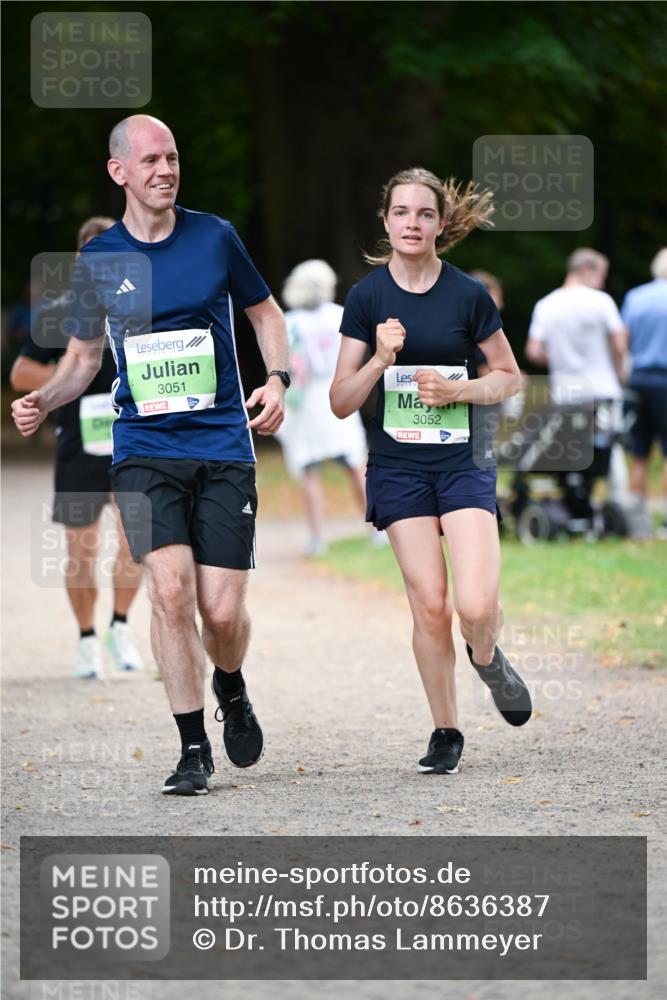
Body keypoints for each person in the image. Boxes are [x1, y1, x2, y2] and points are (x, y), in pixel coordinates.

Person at [12, 115, 289, 797]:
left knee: (220, 614)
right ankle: (193, 746)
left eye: (172, 158)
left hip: (223, 443)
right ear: (120, 172)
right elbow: (82, 358)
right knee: (168, 593)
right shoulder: (99, 259)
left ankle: (232, 684)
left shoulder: (215, 236)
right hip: (143, 448)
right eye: (151, 161)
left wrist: (277, 377)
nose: (165, 170)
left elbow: (265, 315)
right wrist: (44, 399)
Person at [330, 167, 532, 777]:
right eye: (401, 213)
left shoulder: (468, 294)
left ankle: (488, 655)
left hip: (462, 461)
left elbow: (509, 376)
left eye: (424, 214)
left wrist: (458, 388)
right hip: (398, 467)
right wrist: (382, 360)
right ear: (386, 221)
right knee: (429, 604)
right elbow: (340, 400)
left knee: (474, 603)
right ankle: (446, 729)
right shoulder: (366, 298)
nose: (412, 224)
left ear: (440, 225)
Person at [10, 216, 143, 679]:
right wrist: (68, 383)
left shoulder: (142, 309)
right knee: (81, 551)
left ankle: (120, 626)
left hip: (134, 440)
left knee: (136, 543)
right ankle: (87, 639)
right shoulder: (59, 311)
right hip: (80, 445)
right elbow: (21, 374)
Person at [525, 248, 628, 523]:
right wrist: (620, 373)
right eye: (601, 275)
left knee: (571, 452)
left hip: (567, 392)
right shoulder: (601, 301)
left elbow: (533, 351)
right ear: (587, 270)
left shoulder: (546, 305)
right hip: (604, 390)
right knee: (610, 452)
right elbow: (619, 343)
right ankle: (613, 508)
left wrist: (560, 357)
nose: (603, 283)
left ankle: (573, 504)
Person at [276, 259, 369, 556]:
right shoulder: (340, 315)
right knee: (356, 464)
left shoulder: (289, 322)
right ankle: (377, 527)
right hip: (339, 392)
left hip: (306, 401)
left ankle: (317, 537)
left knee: (308, 469)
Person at [621, 248, 667, 535]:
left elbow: (622, 340)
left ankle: (636, 519)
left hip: (637, 380)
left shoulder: (635, 297)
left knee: (639, 453)